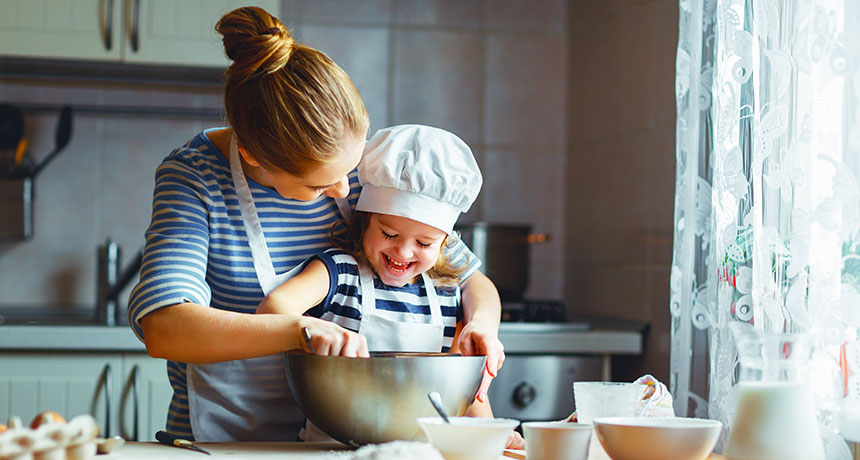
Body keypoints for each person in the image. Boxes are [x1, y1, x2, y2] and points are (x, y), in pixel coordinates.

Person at [126, 6, 505, 443]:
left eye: (351, 169)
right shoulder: (195, 179)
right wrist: (297, 329)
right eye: (319, 184)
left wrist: (482, 325)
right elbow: (164, 326)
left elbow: (466, 275)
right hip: (229, 442)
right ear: (253, 156)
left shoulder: (370, 172)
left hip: (341, 443)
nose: (346, 190)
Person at [256, 124, 524, 449]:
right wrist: (309, 331)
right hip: (332, 449)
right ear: (365, 220)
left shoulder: (445, 291)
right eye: (389, 234)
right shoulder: (340, 272)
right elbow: (273, 309)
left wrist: (490, 435)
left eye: (425, 242)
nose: (403, 252)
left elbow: (463, 390)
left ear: (446, 244)